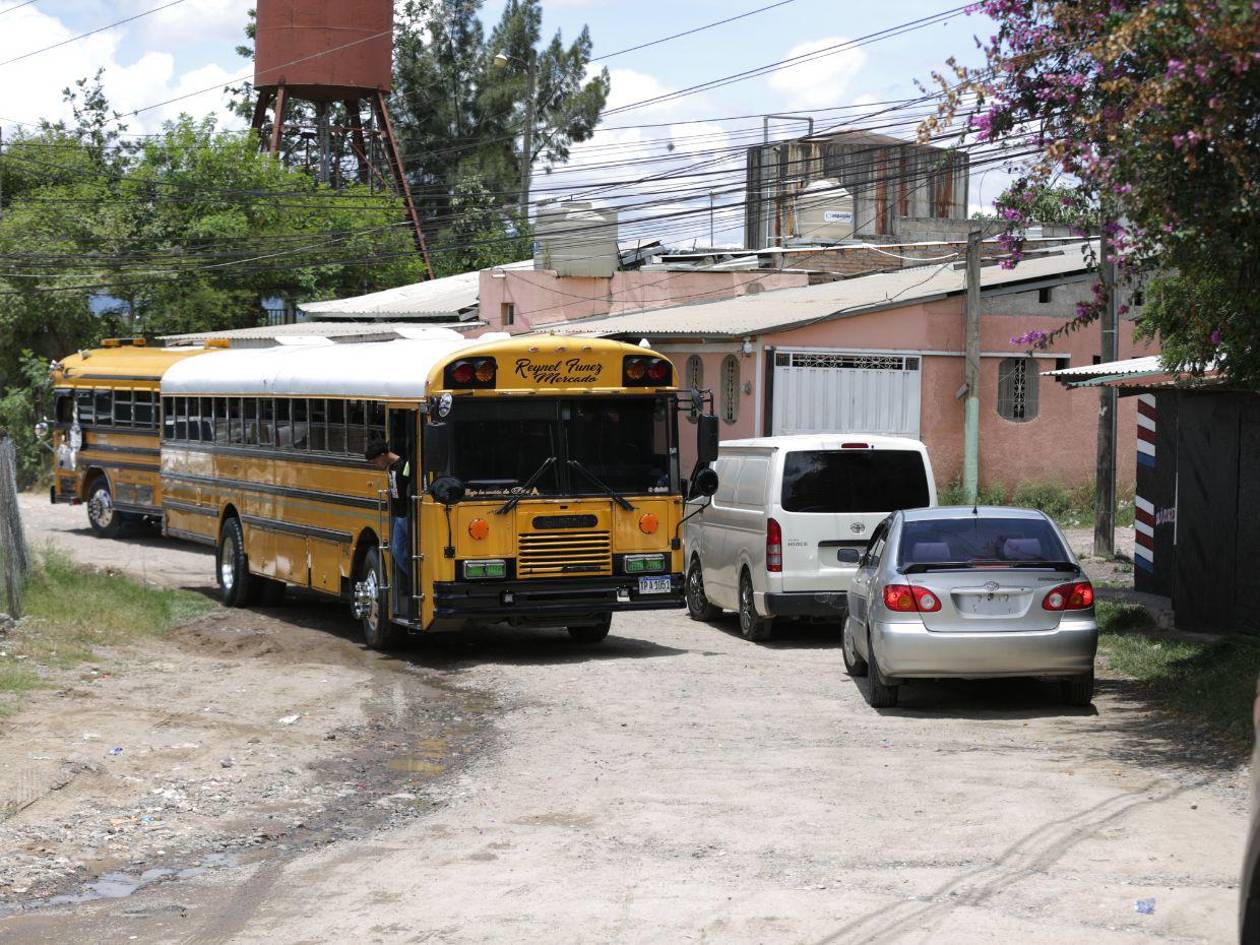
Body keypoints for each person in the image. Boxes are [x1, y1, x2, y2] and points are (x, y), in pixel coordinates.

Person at [365, 435, 412, 616]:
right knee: (396, 550)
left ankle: (415, 578)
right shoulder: (392, 467)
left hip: (405, 516)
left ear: (384, 455)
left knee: (400, 551)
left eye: (376, 461)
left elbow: (410, 486)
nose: (376, 464)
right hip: (397, 515)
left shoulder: (404, 466)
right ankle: (408, 581)